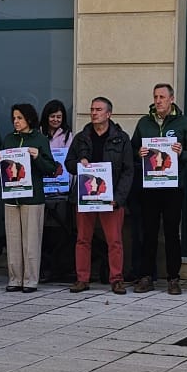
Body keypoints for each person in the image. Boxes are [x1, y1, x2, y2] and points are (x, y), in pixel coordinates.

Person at [129, 83, 187, 295]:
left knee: (171, 234)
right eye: (155, 97)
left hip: (172, 187)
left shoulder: (183, 123)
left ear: (171, 99)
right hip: (149, 187)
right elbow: (132, 149)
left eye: (162, 97)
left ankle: (173, 278)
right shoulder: (144, 122)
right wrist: (138, 153)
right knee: (148, 233)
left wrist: (181, 153)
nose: (158, 101)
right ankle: (146, 276)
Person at [67, 96, 133, 294]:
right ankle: (82, 279)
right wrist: (80, 163)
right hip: (86, 197)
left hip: (110, 197)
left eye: (98, 110)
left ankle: (117, 279)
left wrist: (119, 198)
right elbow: (68, 164)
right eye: (92, 109)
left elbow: (128, 171)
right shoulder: (81, 137)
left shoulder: (121, 138)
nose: (94, 113)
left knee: (114, 241)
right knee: (82, 239)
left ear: (108, 114)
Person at [1, 102, 49, 293]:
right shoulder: (9, 139)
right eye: (14, 118)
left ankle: (30, 280)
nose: (16, 122)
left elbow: (51, 168)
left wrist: (38, 157)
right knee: (13, 240)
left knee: (31, 241)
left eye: (19, 118)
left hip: (32, 197)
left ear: (29, 118)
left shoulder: (39, 139)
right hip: (12, 196)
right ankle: (14, 278)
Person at [40, 98, 75, 283]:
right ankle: (44, 268)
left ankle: (60, 269)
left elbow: (70, 161)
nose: (55, 120)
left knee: (61, 231)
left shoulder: (69, 136)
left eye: (59, 117)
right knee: (43, 232)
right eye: (52, 116)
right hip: (42, 189)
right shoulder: (39, 134)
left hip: (61, 190)